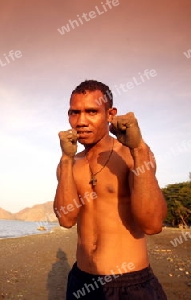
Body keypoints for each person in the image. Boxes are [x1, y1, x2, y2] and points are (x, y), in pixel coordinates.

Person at [54, 80, 167, 299]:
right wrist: (66, 159)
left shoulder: (133, 155)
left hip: (130, 284)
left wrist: (139, 149)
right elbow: (66, 220)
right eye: (74, 112)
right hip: (81, 280)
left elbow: (152, 225)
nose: (81, 121)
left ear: (110, 114)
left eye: (92, 111)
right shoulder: (69, 163)